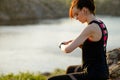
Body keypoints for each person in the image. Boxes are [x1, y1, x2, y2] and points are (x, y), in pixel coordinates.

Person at [48, 0, 109, 80]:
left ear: (84, 10)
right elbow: (95, 47)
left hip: (93, 74)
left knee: (52, 79)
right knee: (70, 69)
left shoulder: (91, 28)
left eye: (77, 14)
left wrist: (61, 45)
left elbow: (67, 49)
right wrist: (76, 43)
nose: (76, 18)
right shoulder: (100, 23)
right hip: (101, 70)